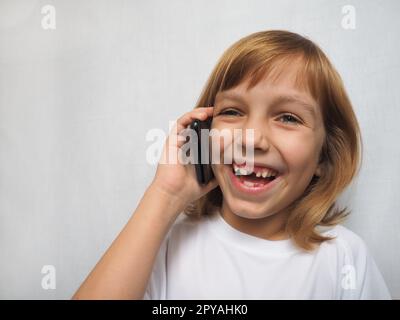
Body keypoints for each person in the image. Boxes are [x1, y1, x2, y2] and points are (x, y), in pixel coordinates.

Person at [73, 30, 391, 299]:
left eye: (288, 118)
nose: (251, 140)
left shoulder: (344, 258)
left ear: (324, 156)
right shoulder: (164, 247)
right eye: (233, 112)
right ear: (204, 133)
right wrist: (165, 194)